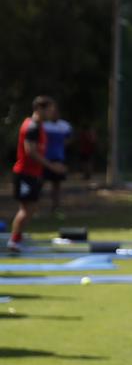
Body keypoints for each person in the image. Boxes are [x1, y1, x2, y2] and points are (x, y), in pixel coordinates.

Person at [10, 96, 66, 251]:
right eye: (49, 109)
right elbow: (30, 151)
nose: (52, 113)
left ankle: (18, 238)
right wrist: (51, 167)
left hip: (33, 174)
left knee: (32, 208)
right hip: (25, 174)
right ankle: (14, 241)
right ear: (40, 109)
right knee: (26, 209)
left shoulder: (39, 126)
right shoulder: (32, 127)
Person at [42, 109, 71, 215]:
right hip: (44, 158)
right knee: (40, 182)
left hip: (58, 158)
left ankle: (55, 207)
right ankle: (35, 206)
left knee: (57, 184)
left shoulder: (65, 125)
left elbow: (69, 139)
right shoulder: (44, 126)